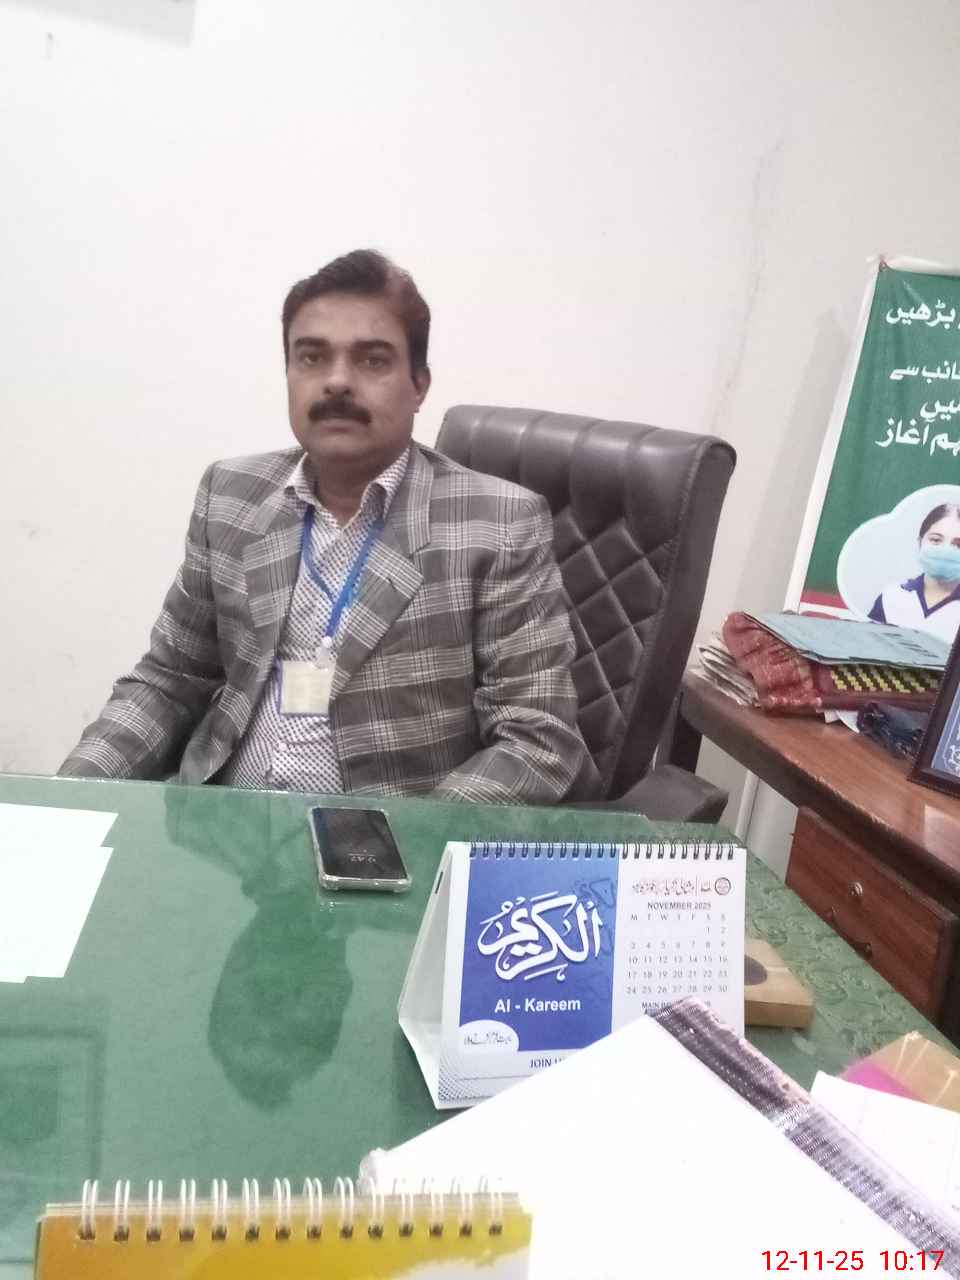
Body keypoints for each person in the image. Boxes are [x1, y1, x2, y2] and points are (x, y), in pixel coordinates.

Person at [60, 250, 593, 803]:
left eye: (372, 360)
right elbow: (170, 681)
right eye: (312, 358)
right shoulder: (231, 495)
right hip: (222, 823)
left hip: (390, 834)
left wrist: (406, 839)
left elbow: (536, 739)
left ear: (419, 385)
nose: (337, 382)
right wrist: (67, 798)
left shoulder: (500, 524)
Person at [868, 502, 960, 643]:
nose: (946, 550)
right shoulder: (892, 596)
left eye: (958, 545)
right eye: (936, 540)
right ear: (920, 542)